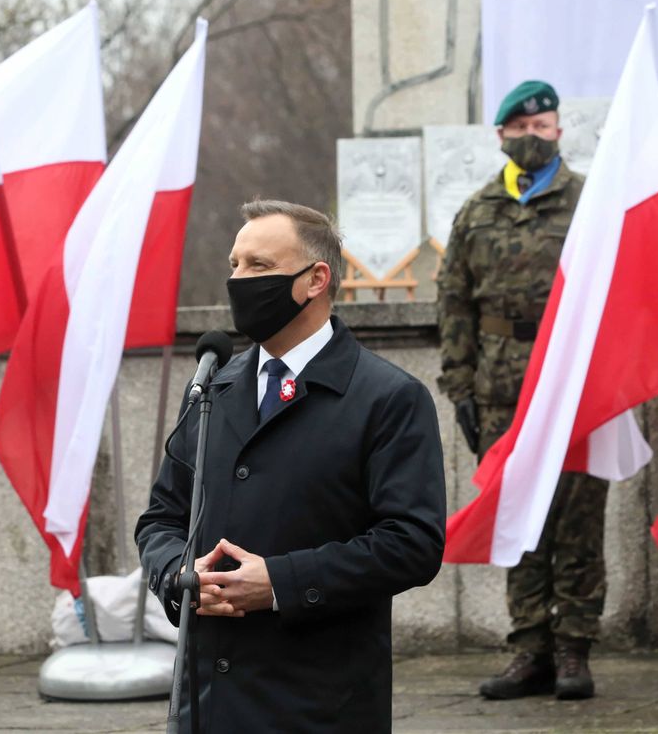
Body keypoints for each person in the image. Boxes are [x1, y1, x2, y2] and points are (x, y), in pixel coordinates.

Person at [136, 199, 447, 733]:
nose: (238, 280)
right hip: (208, 701)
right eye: (234, 264)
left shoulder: (387, 397)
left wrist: (280, 582)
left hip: (320, 704)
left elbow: (412, 542)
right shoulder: (214, 387)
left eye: (258, 266)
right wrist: (177, 575)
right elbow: (162, 518)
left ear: (315, 280)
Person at [437, 80, 608, 701]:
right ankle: (529, 648)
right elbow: (454, 302)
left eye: (543, 128)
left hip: (573, 387)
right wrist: (459, 386)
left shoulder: (591, 202)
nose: (532, 138)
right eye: (521, 129)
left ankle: (573, 651)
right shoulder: (476, 211)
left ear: (559, 132)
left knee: (577, 521)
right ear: (502, 135)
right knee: (519, 521)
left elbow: (619, 289)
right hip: (502, 388)